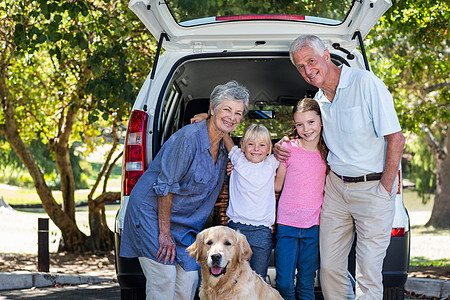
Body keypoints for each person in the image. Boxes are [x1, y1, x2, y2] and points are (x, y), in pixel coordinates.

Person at [274, 35, 405, 300]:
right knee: (330, 270)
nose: (308, 70)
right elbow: (309, 135)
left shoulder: (365, 83)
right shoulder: (320, 100)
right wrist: (282, 145)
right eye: (300, 66)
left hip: (374, 188)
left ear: (326, 55)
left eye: (311, 61)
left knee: (368, 272)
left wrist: (386, 188)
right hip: (335, 188)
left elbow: (396, 138)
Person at [120, 80, 249, 300]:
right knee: (164, 280)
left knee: (188, 282)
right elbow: (166, 188)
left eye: (238, 113)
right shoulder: (187, 139)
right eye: (227, 109)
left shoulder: (227, 151)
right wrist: (164, 234)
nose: (232, 117)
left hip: (185, 225)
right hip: (152, 214)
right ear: (212, 108)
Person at [273, 98, 328, 300]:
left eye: (311, 122)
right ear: (294, 125)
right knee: (284, 284)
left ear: (321, 121)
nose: (306, 129)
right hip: (287, 224)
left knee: (306, 284)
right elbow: (277, 185)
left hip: (313, 227)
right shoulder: (288, 148)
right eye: (299, 124)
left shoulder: (328, 152)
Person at [224, 123, 280, 280]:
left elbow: (288, 146)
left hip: (262, 231)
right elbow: (225, 137)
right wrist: (208, 118)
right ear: (242, 146)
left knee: (258, 279)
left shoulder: (271, 163)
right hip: (236, 230)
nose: (256, 148)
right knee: (234, 278)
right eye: (251, 144)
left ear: (269, 149)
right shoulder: (237, 161)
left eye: (262, 145)